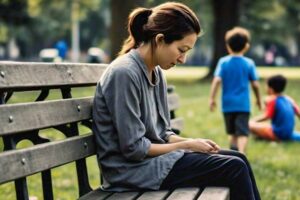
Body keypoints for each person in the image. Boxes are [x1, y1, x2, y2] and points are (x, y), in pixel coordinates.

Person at [92, 3, 261, 200]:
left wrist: (192, 142)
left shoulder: (156, 72)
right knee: (234, 168)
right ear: (160, 39)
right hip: (130, 172)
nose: (183, 59)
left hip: (152, 163)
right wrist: (186, 146)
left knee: (238, 157)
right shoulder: (124, 73)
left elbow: (163, 133)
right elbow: (134, 149)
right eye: (182, 49)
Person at [209, 27, 262, 154]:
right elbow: (255, 84)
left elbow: (216, 81)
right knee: (242, 131)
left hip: (227, 105)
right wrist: (259, 99)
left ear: (228, 46)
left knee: (232, 131)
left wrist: (212, 98)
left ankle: (233, 152)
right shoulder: (249, 63)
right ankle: (241, 153)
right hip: (243, 105)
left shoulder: (223, 62)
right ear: (246, 46)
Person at [249, 75, 300, 141]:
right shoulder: (289, 99)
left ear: (271, 89)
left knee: (250, 125)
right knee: (266, 126)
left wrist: (252, 121)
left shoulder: (273, 100)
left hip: (277, 134)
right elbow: (299, 113)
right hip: (289, 133)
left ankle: (269, 138)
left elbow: (267, 116)